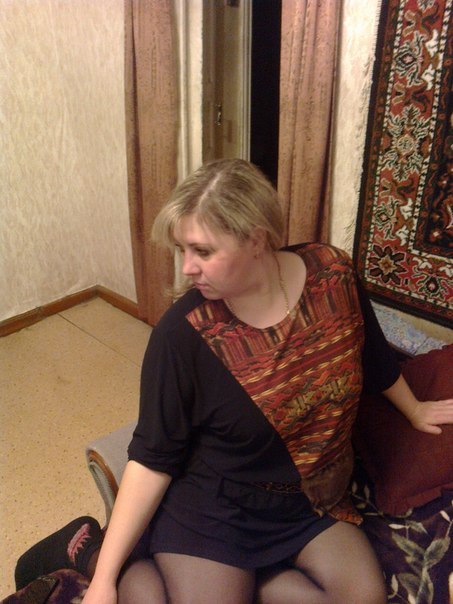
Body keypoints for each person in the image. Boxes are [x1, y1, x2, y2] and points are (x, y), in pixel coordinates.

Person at [15, 159, 453, 604]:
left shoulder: (332, 275)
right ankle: (92, 552)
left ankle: (240, 580)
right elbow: (152, 457)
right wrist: (104, 580)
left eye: (203, 252)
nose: (187, 268)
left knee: (363, 599)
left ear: (256, 239)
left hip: (308, 501)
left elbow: (370, 353)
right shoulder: (181, 334)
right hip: (216, 510)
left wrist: (415, 408)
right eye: (182, 250)